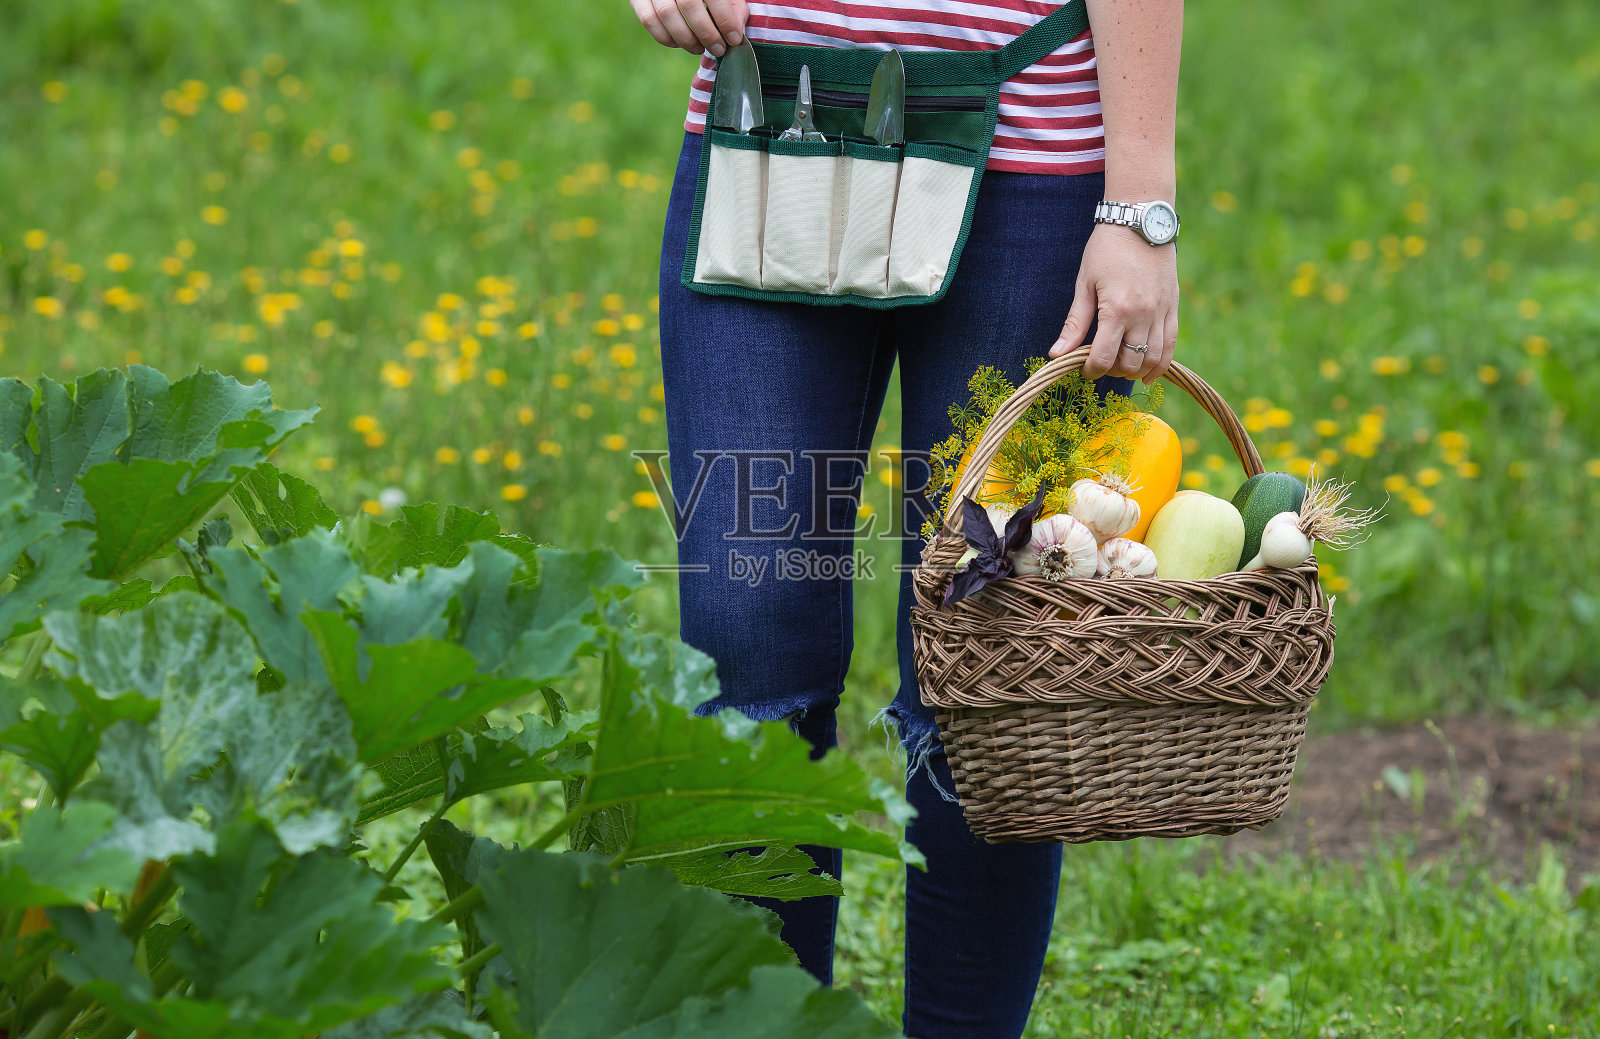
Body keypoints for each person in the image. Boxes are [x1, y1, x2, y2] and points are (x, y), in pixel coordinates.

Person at [630, 1, 1182, 1035]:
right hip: (769, 132)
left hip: (1034, 170)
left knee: (987, 680)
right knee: (744, 661)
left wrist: (1138, 205)